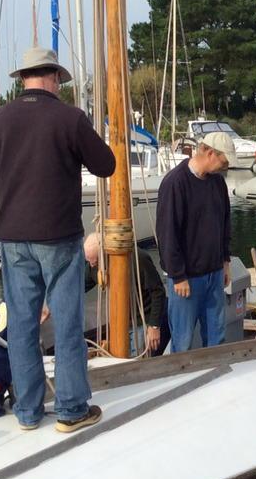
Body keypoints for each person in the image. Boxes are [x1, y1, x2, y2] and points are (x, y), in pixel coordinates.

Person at [0, 46, 115, 433]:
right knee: (69, 323)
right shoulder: (70, 118)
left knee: (22, 326)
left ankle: (27, 411)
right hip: (58, 236)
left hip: (11, 236)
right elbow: (105, 165)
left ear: (22, 78)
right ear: (54, 77)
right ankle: (71, 409)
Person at [156, 132, 236, 352]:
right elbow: (167, 233)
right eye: (223, 161)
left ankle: (216, 380)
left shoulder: (218, 183)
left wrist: (225, 260)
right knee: (182, 340)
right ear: (210, 153)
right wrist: (178, 275)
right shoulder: (175, 182)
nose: (225, 166)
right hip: (187, 278)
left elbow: (225, 222)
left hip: (214, 272)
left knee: (216, 336)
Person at [83, 232, 170, 356]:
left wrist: (154, 326)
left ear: (106, 252)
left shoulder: (138, 258)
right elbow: (81, 286)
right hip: (119, 322)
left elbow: (158, 292)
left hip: (141, 321)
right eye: (89, 262)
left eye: (95, 262)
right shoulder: (94, 265)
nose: (92, 266)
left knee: (138, 361)